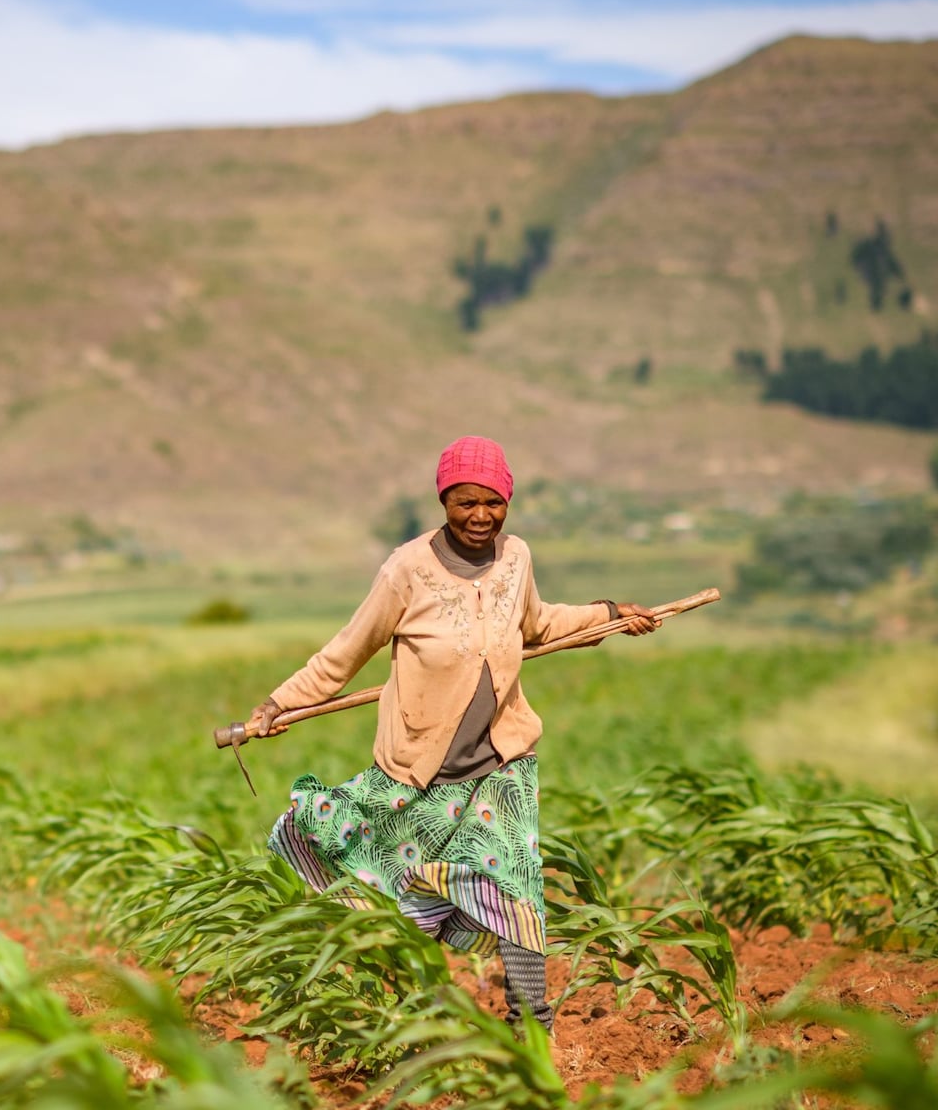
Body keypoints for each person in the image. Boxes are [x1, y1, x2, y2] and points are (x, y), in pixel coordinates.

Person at [244, 435, 657, 1032]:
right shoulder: (406, 570)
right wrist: (276, 703)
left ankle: (528, 1027)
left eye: (493, 503)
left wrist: (609, 614)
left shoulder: (517, 558)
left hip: (500, 764)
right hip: (418, 771)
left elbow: (539, 624)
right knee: (393, 891)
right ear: (444, 500)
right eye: (466, 503)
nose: (481, 516)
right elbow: (344, 654)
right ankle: (388, 1015)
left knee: (516, 883)